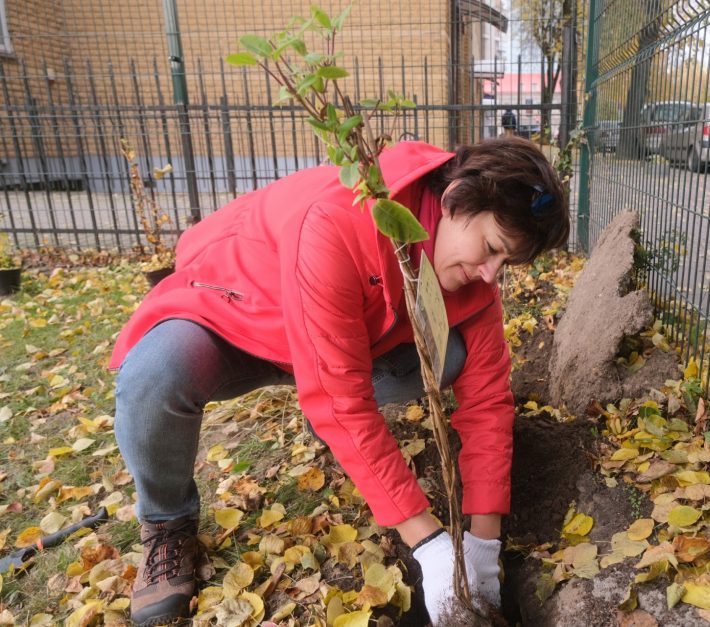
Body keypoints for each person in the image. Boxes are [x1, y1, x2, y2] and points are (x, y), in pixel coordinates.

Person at [109, 136, 569, 626]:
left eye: (507, 264)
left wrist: (482, 543)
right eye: (492, 248)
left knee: (451, 354)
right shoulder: (342, 220)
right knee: (157, 374)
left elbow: (486, 402)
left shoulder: (470, 277)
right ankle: (166, 522)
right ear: (456, 196)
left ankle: (333, 427)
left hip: (349, 337)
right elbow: (341, 401)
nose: (491, 274)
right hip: (242, 313)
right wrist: (432, 548)